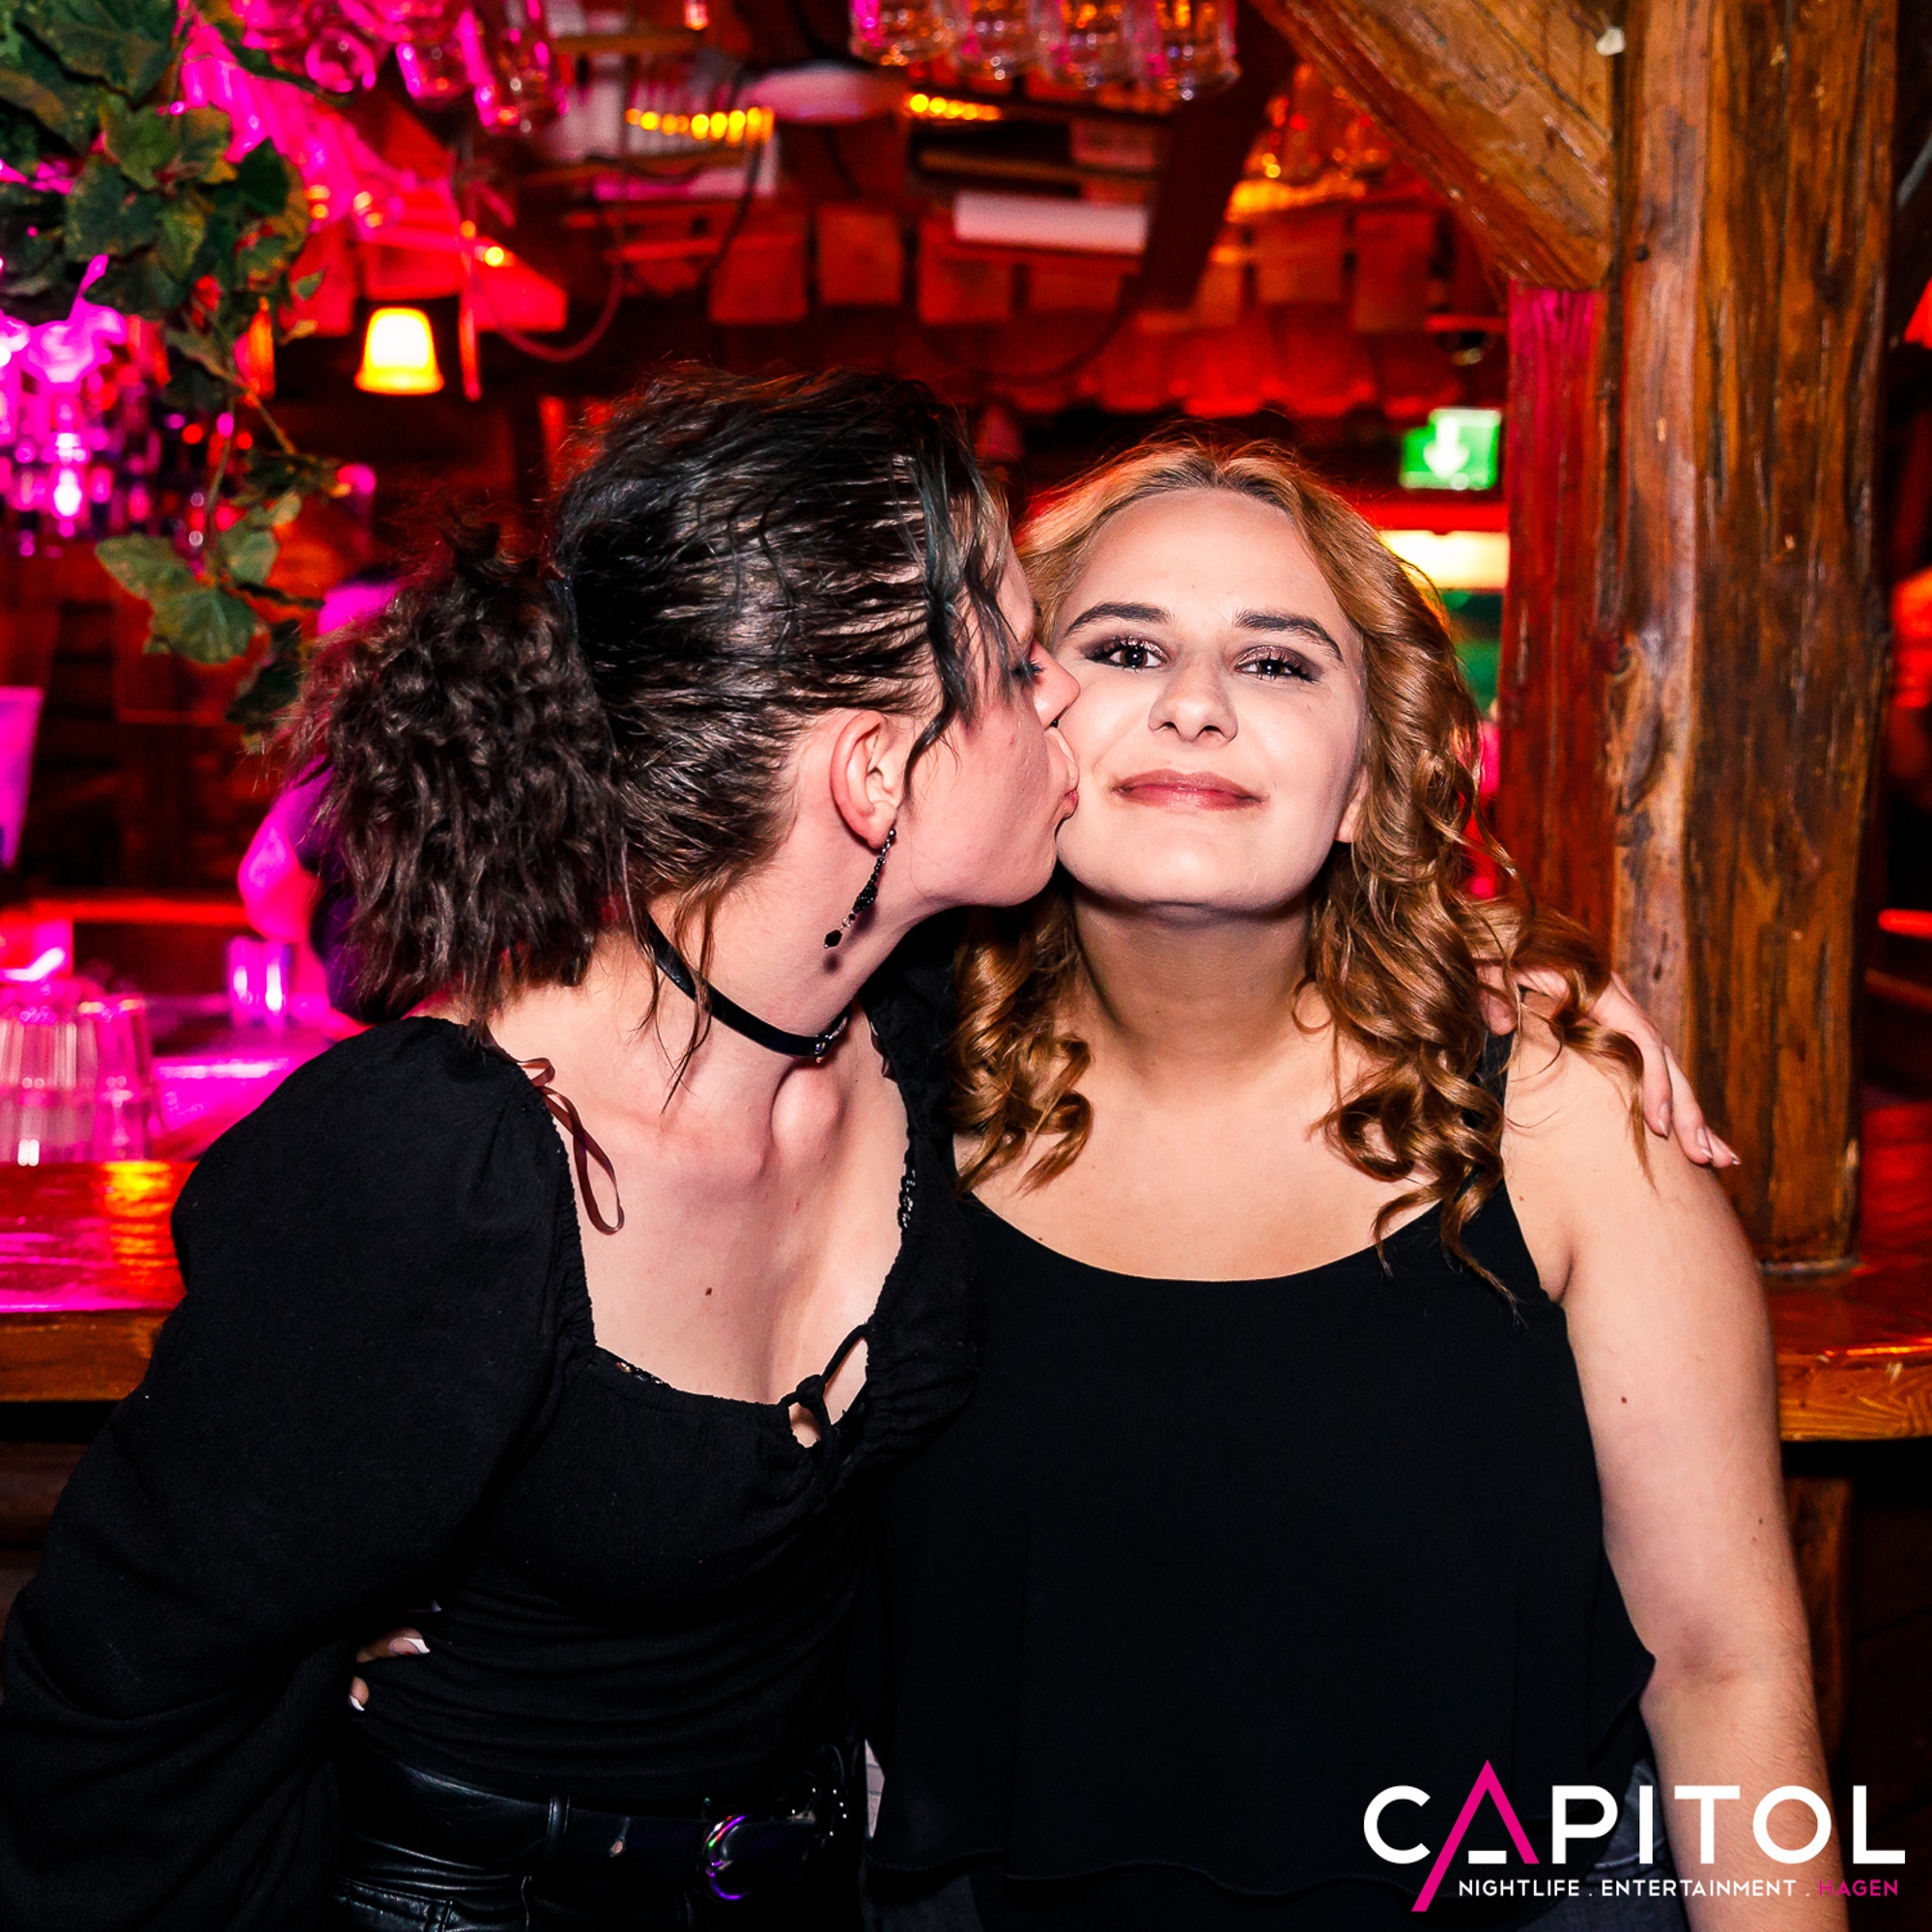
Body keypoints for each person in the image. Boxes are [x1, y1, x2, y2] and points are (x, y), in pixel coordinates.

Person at [0, 368, 1083, 1932]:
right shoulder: (442, 1160)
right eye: (1022, 662)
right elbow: (122, 1709)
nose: (1061, 702)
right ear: (872, 773)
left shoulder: (918, 1033)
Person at [857, 440, 1834, 1931]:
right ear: (1016, 723)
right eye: (1126, 649)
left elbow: (1725, 1669)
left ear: (1370, 778)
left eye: (1278, 662)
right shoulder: (877, 1098)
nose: (1197, 703)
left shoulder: (1557, 1116)